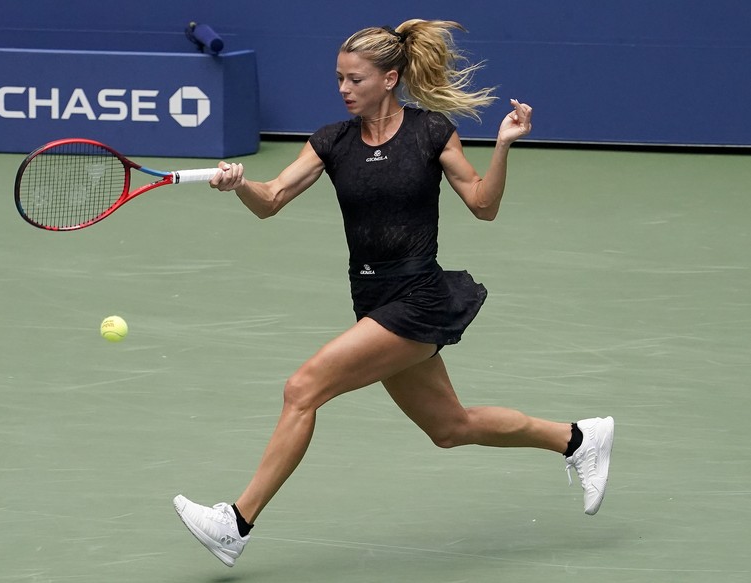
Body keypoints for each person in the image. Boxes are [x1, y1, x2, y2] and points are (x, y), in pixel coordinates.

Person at [173, 19, 614, 568]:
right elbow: (272, 198)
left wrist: (502, 146)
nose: (343, 88)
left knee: (302, 389)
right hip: (373, 303)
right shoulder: (331, 141)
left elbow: (483, 203)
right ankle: (578, 439)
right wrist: (241, 184)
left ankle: (234, 523)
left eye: (355, 78)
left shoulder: (430, 133)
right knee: (449, 428)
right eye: (338, 78)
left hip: (419, 299)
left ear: (390, 78)